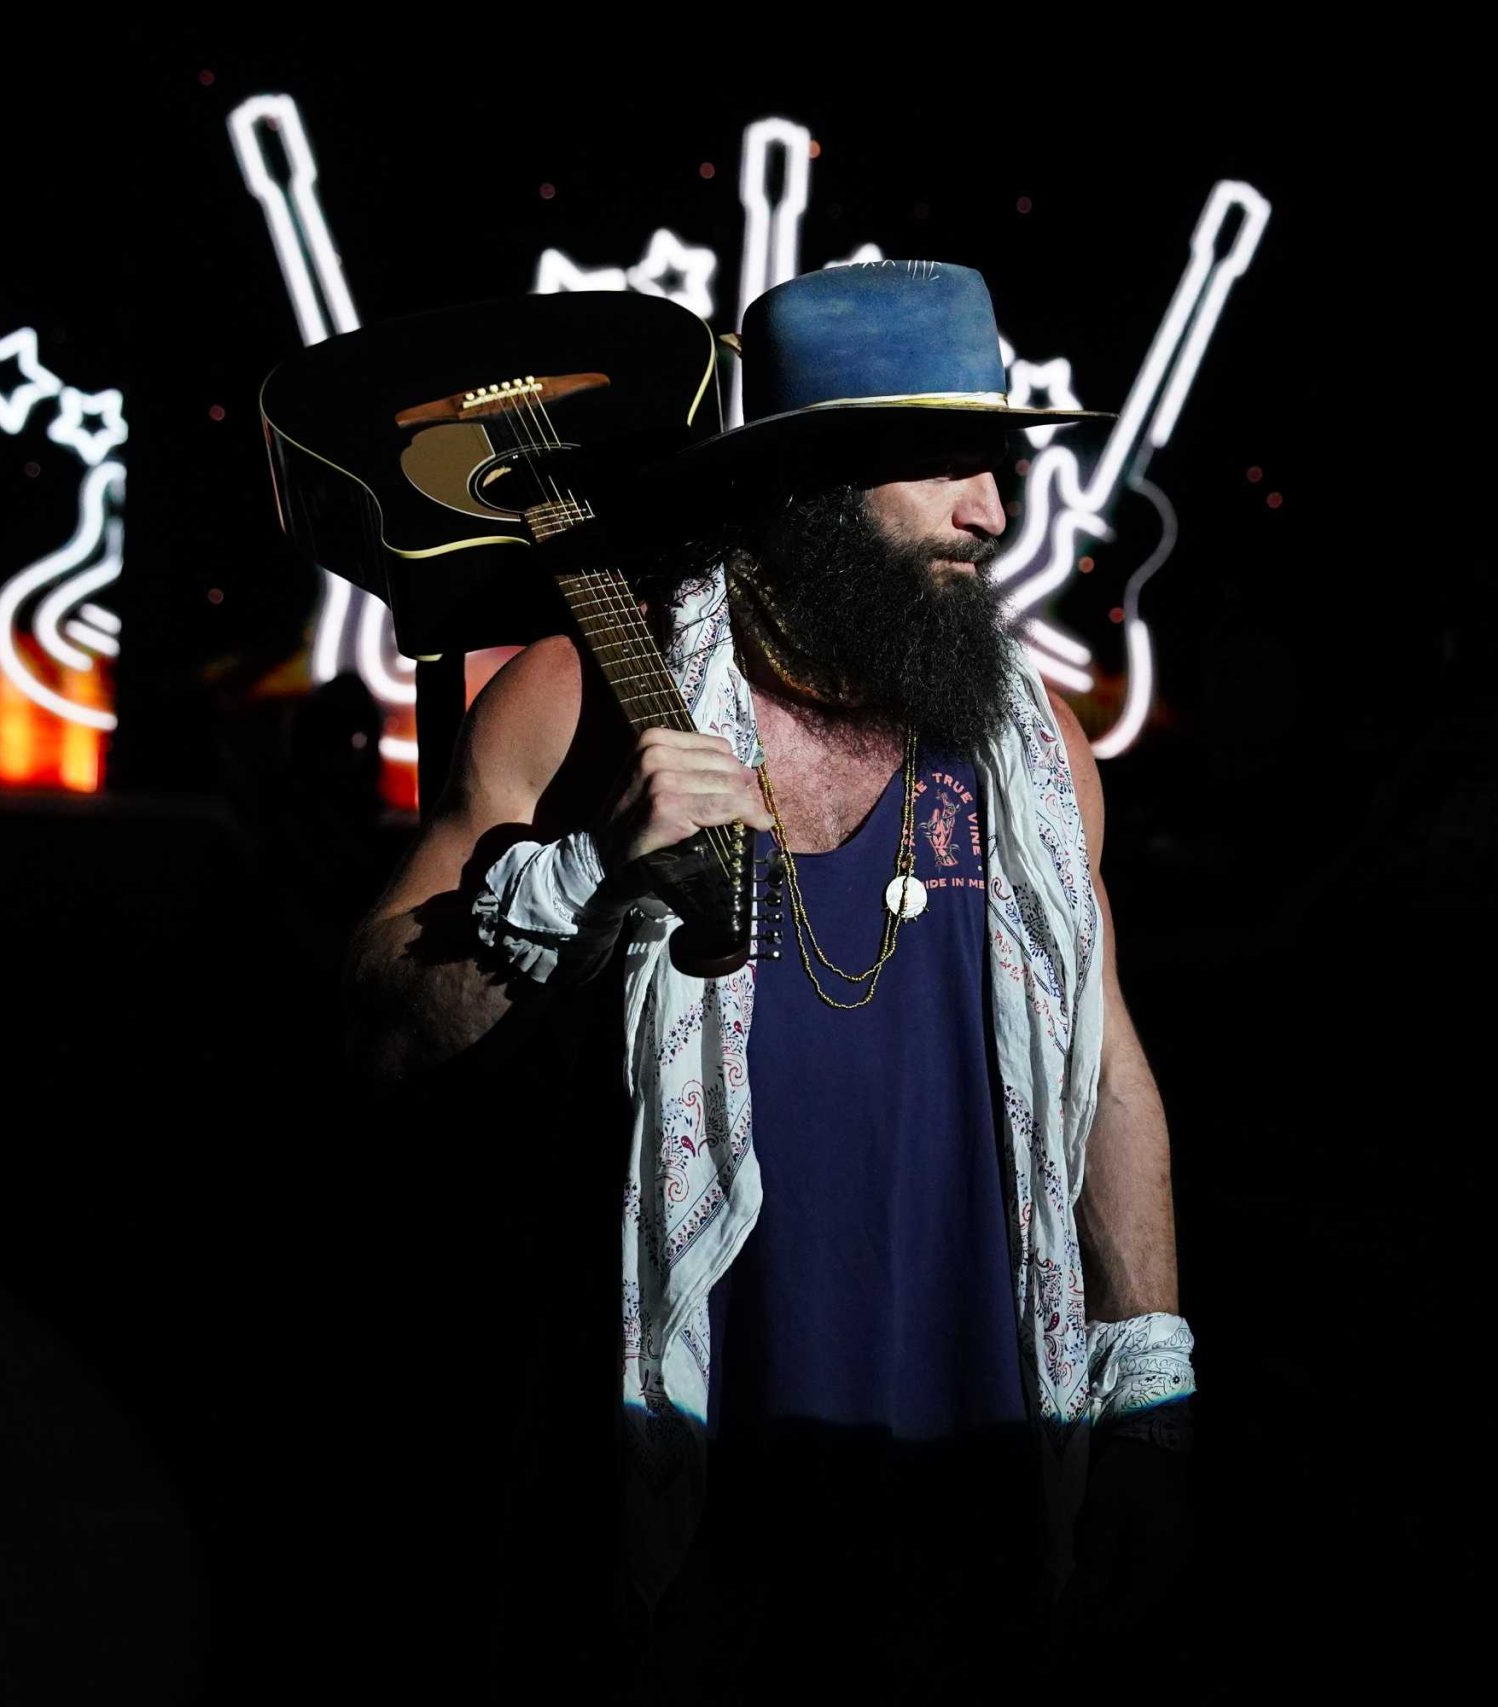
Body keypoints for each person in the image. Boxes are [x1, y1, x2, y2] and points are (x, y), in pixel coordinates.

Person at [342, 261, 1197, 1696]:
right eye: (942, 462)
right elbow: (377, 1028)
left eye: (994, 462)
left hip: (976, 1451)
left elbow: (1105, 1075)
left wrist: (1150, 1415)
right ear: (809, 478)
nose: (992, 511)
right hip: (676, 1456)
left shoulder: (1036, 751)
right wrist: (584, 878)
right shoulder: (581, 700)